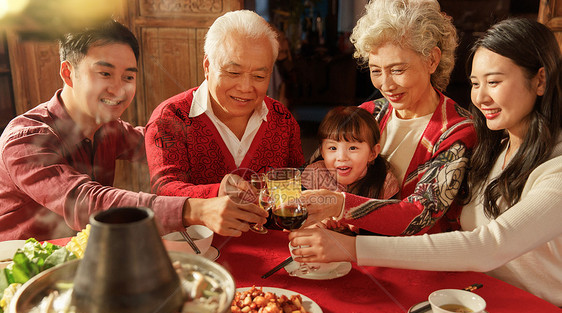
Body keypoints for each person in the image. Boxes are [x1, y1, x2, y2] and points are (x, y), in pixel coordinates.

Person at [289, 18, 562, 306]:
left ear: (540, 80)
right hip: (475, 296)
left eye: (493, 82)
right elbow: (317, 174)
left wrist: (350, 240)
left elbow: (486, 245)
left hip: (538, 311)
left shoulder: (541, 164)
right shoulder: (495, 146)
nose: (480, 97)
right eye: (474, 83)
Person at [0, 20, 266, 241]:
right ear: (68, 73)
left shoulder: (109, 129)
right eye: (105, 74)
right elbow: (88, 202)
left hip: (87, 256)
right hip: (21, 272)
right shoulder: (25, 139)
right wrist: (194, 208)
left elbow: (168, 148)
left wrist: (230, 170)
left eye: (128, 77)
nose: (119, 90)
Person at [301, 0, 476, 236]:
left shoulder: (456, 131)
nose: (386, 85)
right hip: (349, 251)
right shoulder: (368, 112)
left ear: (432, 60)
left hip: (416, 260)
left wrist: (341, 205)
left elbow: (419, 215)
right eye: (376, 70)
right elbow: (316, 171)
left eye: (397, 70)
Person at [144, 10, 304, 199]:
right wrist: (217, 193)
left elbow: (298, 182)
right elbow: (166, 189)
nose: (246, 88)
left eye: (259, 76)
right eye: (233, 73)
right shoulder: (170, 117)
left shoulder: (281, 118)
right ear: (207, 66)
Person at [302, 106, 399, 200]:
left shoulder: (384, 183)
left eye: (352, 148)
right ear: (322, 151)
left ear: (372, 153)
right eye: (332, 148)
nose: (341, 157)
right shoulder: (315, 175)